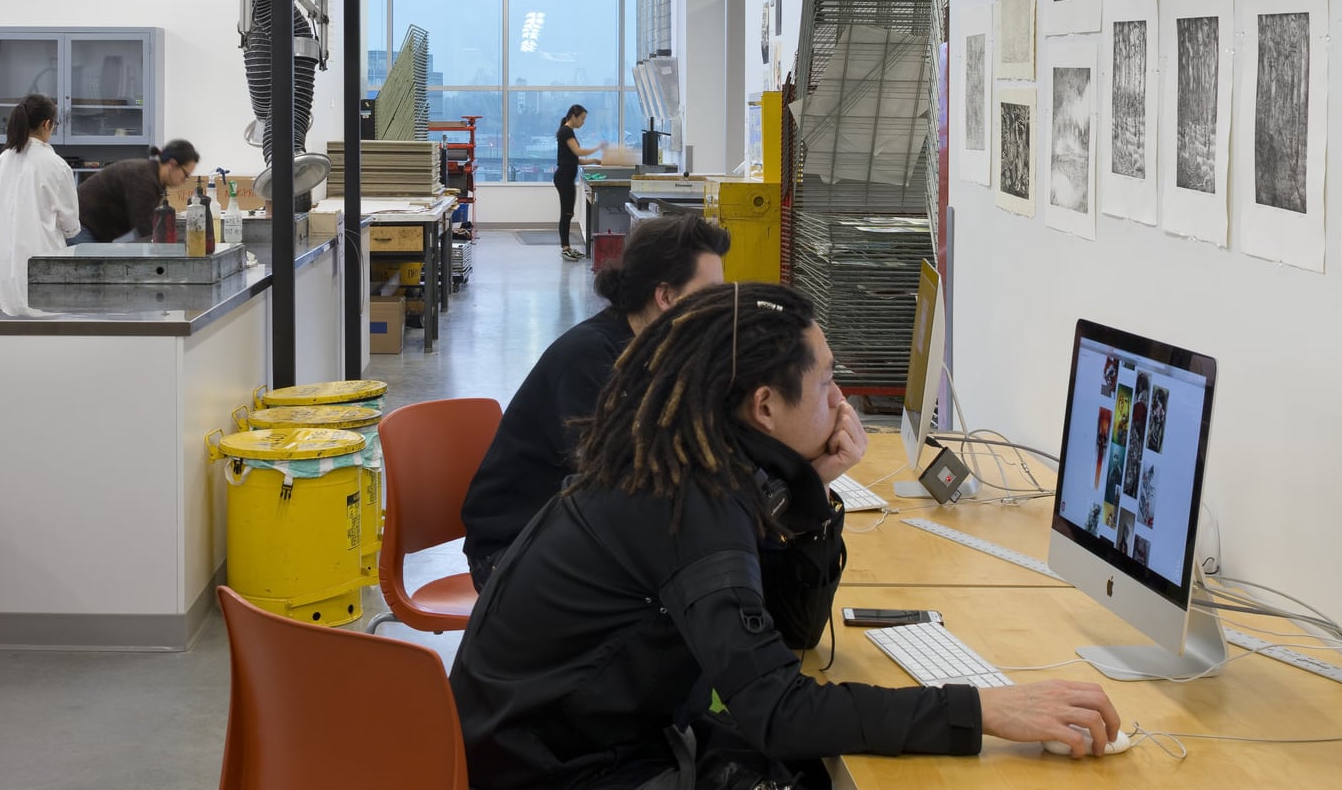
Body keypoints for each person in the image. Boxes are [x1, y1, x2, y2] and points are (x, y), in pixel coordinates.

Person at [450, 282, 1122, 789]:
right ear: (765, 407)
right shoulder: (689, 501)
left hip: (583, 740)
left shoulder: (690, 465)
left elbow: (793, 633)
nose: (841, 401)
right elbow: (778, 709)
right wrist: (983, 709)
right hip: (560, 770)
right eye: (826, 381)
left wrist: (807, 496)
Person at [461, 213, 731, 590]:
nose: (721, 310)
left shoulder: (658, 351)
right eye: (711, 295)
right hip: (512, 552)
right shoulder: (590, 359)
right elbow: (617, 489)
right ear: (666, 296)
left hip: (575, 535)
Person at [0, 93, 79, 311]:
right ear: (47, 124)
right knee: (45, 326)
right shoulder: (56, 165)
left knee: (15, 327)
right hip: (44, 273)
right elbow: (71, 226)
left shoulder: (3, 160)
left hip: (6, 277)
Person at [74, 140, 200, 243]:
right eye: (186, 175)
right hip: (83, 227)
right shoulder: (144, 179)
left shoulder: (153, 177)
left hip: (96, 230)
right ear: (172, 164)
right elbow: (146, 228)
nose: (184, 180)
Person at [554, 104, 607, 261]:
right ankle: (565, 249)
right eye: (582, 118)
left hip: (566, 178)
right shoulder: (566, 131)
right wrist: (597, 147)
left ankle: (567, 247)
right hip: (564, 178)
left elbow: (576, 159)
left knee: (568, 213)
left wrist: (595, 161)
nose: (583, 122)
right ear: (573, 116)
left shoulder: (568, 131)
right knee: (566, 213)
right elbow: (578, 152)